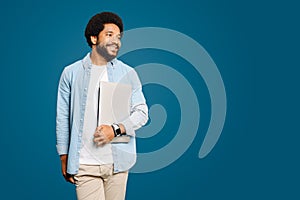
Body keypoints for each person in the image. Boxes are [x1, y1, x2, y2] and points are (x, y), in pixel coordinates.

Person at [56, 11, 148, 200]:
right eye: (109, 34)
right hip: (84, 165)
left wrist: (114, 130)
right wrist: (64, 156)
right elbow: (63, 117)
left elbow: (142, 113)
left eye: (119, 37)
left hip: (118, 164)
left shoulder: (128, 73)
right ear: (93, 38)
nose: (116, 41)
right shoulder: (71, 73)